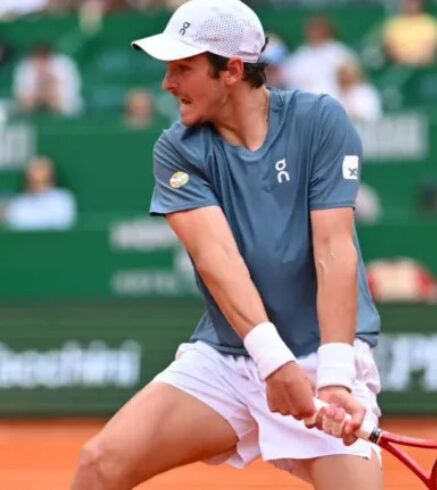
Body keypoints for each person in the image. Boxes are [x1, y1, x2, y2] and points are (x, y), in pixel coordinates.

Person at [71, 1, 383, 489]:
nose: (167, 83)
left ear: (232, 70)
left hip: (323, 355)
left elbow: (334, 250)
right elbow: (217, 260)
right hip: (230, 358)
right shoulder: (177, 148)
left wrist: (336, 377)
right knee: (99, 465)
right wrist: (273, 362)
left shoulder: (320, 120)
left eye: (183, 68)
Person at [282, 15, 357, 97]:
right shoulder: (299, 55)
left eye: (318, 28)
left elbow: (353, 81)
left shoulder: (341, 52)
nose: (315, 32)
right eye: (313, 28)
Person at [2, 155, 77, 231]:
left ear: (51, 179)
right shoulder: (18, 204)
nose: (39, 186)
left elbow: (61, 222)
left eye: (43, 181)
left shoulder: (63, 200)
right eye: (33, 181)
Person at [12, 43, 83, 116]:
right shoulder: (25, 67)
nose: (40, 63)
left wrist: (49, 94)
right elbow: (21, 94)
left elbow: (69, 94)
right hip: (35, 105)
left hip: (62, 106)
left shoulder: (64, 65)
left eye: (43, 59)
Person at [383, 0, 437, 66]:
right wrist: (405, 59)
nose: (411, 5)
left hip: (425, 66)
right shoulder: (393, 24)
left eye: (414, 2)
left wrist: (416, 59)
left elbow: (432, 49)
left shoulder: (431, 23)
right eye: (409, 3)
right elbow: (390, 49)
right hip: (399, 65)